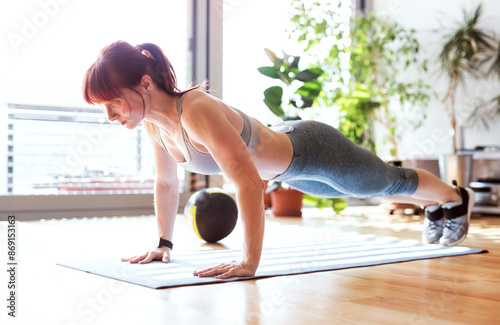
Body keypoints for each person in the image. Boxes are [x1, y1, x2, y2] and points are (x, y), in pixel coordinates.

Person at [82, 41, 475, 279]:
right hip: (291, 171)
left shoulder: (194, 110)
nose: (111, 115)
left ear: (145, 84)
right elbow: (167, 184)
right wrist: (164, 243)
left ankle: (455, 198)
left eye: (113, 102)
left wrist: (249, 261)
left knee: (383, 183)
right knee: (369, 190)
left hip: (311, 149)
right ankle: (437, 205)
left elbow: (249, 182)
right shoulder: (157, 126)